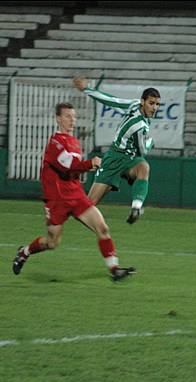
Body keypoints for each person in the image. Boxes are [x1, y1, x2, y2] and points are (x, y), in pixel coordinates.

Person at [11, 102, 136, 282]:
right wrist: (90, 163)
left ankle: (114, 269)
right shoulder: (55, 142)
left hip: (76, 195)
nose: (72, 120)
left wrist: (97, 167)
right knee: (52, 242)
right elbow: (67, 166)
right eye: (68, 116)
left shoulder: (75, 142)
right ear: (58, 118)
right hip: (56, 199)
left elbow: (74, 170)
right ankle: (24, 252)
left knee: (102, 227)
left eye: (74, 116)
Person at [72, 76, 161, 224]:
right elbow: (142, 150)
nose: (154, 107)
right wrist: (150, 143)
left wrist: (87, 89)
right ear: (142, 101)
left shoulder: (134, 107)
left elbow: (111, 100)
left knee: (144, 167)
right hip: (114, 158)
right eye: (151, 103)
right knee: (86, 208)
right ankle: (75, 210)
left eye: (157, 104)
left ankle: (136, 208)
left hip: (130, 159)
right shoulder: (139, 126)